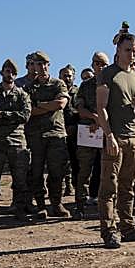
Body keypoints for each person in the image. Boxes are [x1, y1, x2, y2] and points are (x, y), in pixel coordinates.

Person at [95, 34, 135, 248]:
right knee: (109, 187)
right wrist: (109, 135)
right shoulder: (107, 74)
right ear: (118, 50)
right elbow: (101, 107)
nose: (132, 54)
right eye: (128, 50)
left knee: (128, 186)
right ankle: (109, 230)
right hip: (116, 138)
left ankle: (128, 227)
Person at [24, 50, 71, 219]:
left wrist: (41, 105)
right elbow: (28, 111)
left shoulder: (58, 84)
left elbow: (60, 104)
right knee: (36, 172)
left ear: (48, 65)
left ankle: (56, 203)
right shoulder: (28, 87)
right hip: (35, 135)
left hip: (56, 134)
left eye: (44, 64)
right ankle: (41, 205)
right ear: (34, 66)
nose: (42, 67)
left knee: (57, 171)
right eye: (38, 64)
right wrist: (48, 105)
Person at [0, 58, 32, 221]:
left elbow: (25, 115)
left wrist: (2, 115)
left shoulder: (22, 94)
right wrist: (8, 117)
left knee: (20, 179)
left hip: (17, 141)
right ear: (1, 72)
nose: (10, 74)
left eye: (13, 72)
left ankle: (19, 210)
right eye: (7, 71)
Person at [72, 53, 108, 218]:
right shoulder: (85, 86)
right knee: (84, 170)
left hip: (108, 132)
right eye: (96, 63)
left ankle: (106, 207)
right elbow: (80, 108)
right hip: (89, 131)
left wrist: (101, 122)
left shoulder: (112, 84)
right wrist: (95, 118)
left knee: (108, 170)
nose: (100, 66)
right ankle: (79, 206)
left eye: (103, 63)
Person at [59, 64, 78, 200]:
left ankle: (78, 187)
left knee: (77, 161)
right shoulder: (56, 90)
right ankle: (66, 186)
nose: (67, 78)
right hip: (60, 130)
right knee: (61, 161)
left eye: (69, 75)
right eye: (64, 76)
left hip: (77, 130)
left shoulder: (79, 91)